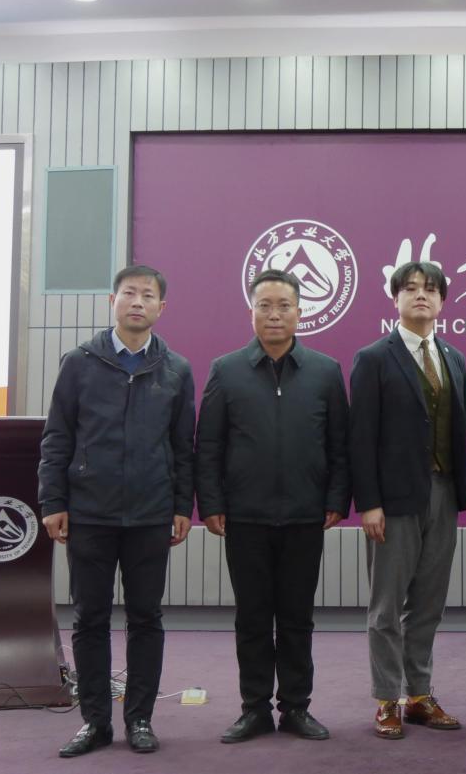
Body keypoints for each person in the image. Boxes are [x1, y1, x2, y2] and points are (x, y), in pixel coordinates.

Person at [38, 264, 195, 758]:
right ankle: (95, 722)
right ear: (113, 301)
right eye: (129, 293)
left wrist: (181, 505)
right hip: (90, 512)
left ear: (161, 308)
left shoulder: (176, 369)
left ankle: (140, 720)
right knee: (90, 618)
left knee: (146, 617)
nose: (137, 302)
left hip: (151, 514)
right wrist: (53, 501)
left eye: (148, 296)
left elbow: (182, 447)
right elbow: (57, 437)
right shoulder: (78, 362)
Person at [195, 269, 350, 744]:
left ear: (300, 312)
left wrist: (335, 499)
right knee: (253, 618)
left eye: (284, 305)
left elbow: (340, 445)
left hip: (305, 515)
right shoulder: (226, 370)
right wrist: (211, 503)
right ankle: (255, 709)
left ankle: (297, 707)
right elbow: (208, 445)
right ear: (252, 312)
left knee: (298, 618)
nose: (274, 314)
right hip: (245, 517)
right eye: (265, 305)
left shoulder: (325, 371)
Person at [350, 262, 466, 739]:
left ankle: (419, 695)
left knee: (428, 604)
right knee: (386, 607)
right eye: (412, 288)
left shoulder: (454, 358)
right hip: (394, 500)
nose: (422, 295)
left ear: (442, 301)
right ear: (395, 298)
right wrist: (369, 502)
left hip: (443, 494)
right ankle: (387, 699)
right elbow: (361, 437)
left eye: (431, 289)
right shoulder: (374, 358)